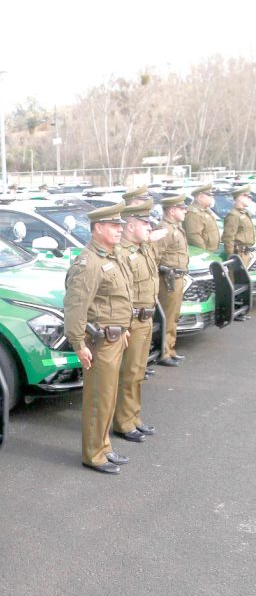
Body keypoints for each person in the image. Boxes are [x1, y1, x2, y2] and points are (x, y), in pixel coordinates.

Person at [63, 203, 133, 475]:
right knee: (97, 400)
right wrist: (78, 343)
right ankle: (93, 454)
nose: (120, 230)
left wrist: (124, 328)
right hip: (99, 343)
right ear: (98, 228)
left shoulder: (112, 256)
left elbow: (117, 299)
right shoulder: (88, 262)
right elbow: (76, 307)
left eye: (120, 226)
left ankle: (103, 446)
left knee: (108, 397)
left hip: (115, 338)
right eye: (114, 226)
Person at [112, 201, 158, 443]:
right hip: (132, 320)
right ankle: (123, 422)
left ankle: (133, 417)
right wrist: (124, 325)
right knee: (128, 373)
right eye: (145, 223)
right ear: (131, 226)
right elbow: (120, 292)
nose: (150, 227)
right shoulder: (121, 253)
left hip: (146, 318)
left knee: (138, 372)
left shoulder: (142, 249)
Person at [153, 194, 189, 367]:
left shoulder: (175, 227)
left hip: (176, 277)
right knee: (167, 316)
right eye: (182, 209)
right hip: (167, 279)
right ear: (172, 210)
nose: (185, 211)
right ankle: (163, 353)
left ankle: (170, 349)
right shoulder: (165, 229)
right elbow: (155, 256)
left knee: (173, 316)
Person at [222, 185, 255, 267]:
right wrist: (231, 256)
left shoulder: (244, 213)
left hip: (246, 253)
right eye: (247, 197)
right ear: (240, 198)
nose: (250, 199)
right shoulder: (234, 215)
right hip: (239, 255)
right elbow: (228, 238)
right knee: (238, 275)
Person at [183, 183, 220, 251]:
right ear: (200, 197)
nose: (212, 198)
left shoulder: (205, 210)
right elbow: (194, 236)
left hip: (211, 251)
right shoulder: (194, 213)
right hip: (205, 253)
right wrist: (203, 252)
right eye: (209, 196)